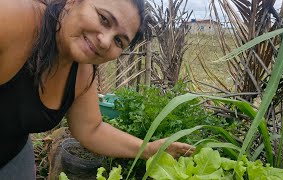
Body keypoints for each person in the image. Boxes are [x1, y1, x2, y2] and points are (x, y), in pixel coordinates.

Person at [0, 0, 195, 179]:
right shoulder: (15, 18)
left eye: (119, 41)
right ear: (73, 2)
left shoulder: (81, 72)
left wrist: (148, 150)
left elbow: (91, 129)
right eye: (103, 19)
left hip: (12, 156)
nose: (105, 41)